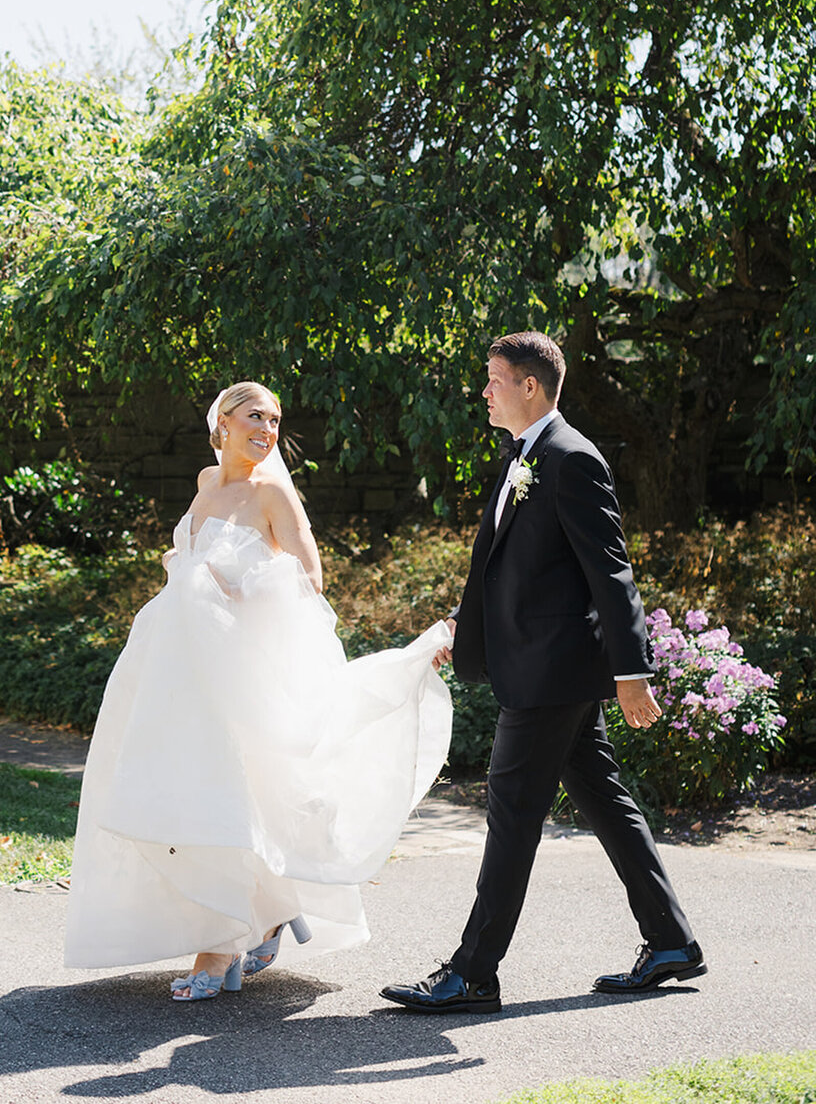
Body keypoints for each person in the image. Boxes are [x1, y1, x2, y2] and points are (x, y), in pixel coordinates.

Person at [64, 380, 453, 1000]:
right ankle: (265, 913)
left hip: (237, 668)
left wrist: (240, 587)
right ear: (220, 422)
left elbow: (311, 580)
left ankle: (220, 946)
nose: (266, 430)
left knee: (228, 796)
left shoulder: (273, 492)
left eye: (274, 420)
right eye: (254, 416)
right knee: (185, 794)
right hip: (176, 669)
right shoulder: (205, 483)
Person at [381, 331, 704, 1016]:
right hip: (538, 665)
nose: (485, 391)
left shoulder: (571, 459)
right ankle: (671, 938)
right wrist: (468, 625)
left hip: (554, 674)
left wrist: (632, 670)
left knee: (512, 810)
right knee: (604, 801)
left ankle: (473, 971)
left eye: (494, 379)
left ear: (531, 385)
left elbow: (610, 574)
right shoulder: (520, 458)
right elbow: (511, 566)